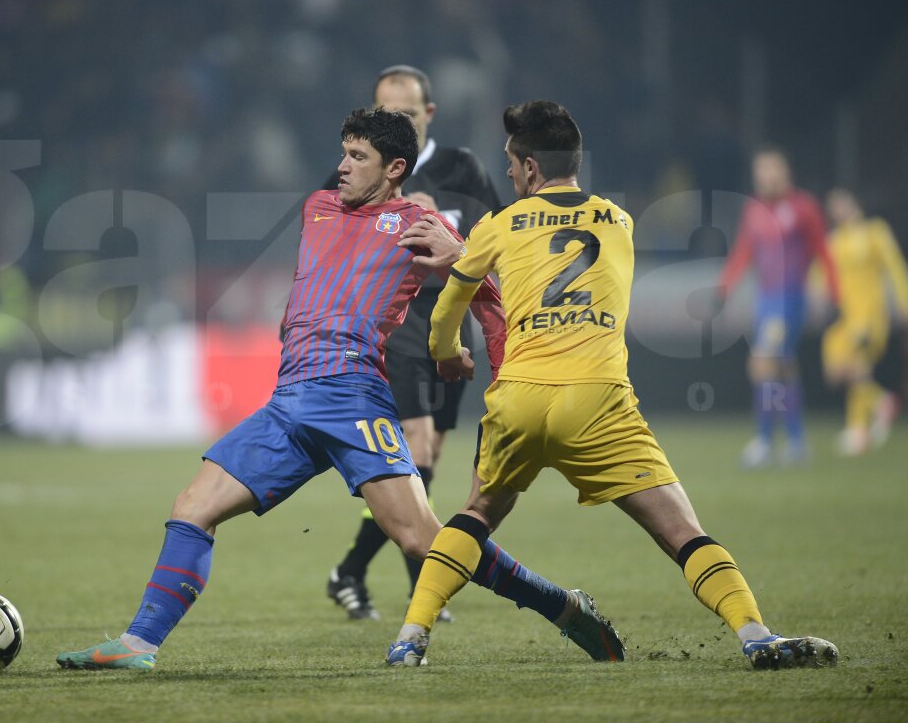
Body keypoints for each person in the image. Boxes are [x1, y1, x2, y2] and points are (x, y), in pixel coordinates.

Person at [56, 107, 623, 671]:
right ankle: (139, 643)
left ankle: (561, 605)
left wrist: (491, 369)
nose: (342, 167)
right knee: (191, 507)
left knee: (425, 544)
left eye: (358, 157)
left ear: (395, 167)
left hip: (352, 398)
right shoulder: (318, 208)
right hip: (288, 400)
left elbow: (491, 298)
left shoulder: (420, 226)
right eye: (344, 153)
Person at [386, 101, 838, 671]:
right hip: (597, 400)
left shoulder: (497, 226)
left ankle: (410, 638)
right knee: (682, 532)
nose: (506, 172)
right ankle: (755, 635)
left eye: (510, 162)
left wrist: (446, 352)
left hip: (521, 396)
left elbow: (452, 299)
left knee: (475, 514)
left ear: (528, 168)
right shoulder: (619, 223)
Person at [322, 65, 503, 621]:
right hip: (391, 321)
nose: (396, 118)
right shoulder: (363, 173)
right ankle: (425, 586)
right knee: (416, 449)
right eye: (386, 110)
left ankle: (349, 572)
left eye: (406, 110)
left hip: (451, 316)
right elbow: (335, 244)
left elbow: (496, 237)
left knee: (429, 460)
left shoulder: (460, 168)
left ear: (428, 114)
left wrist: (445, 230)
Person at [718, 148, 839, 468]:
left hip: (789, 299)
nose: (766, 176)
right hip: (766, 300)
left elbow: (824, 251)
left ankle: (765, 440)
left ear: (785, 172)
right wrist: (724, 288)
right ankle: (797, 441)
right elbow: (744, 251)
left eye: (772, 169)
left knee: (762, 363)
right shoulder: (755, 210)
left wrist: (835, 294)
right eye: (761, 170)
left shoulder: (803, 207)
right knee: (782, 368)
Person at [819, 187, 908, 455]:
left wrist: (905, 304)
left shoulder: (875, 231)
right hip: (844, 320)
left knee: (859, 369)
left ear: (854, 201)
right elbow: (822, 274)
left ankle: (857, 430)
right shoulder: (834, 239)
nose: (837, 209)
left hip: (869, 317)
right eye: (832, 205)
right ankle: (881, 401)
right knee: (836, 372)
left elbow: (895, 267)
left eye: (841, 202)